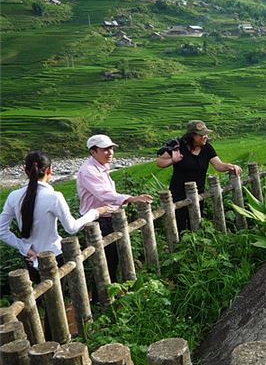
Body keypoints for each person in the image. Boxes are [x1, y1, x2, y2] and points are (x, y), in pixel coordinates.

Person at [0, 151, 113, 282]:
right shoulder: (54, 197)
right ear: (50, 170)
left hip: (30, 258)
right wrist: (95, 212)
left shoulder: (14, 196)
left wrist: (24, 248)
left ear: (25, 170)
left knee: (39, 298)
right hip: (55, 256)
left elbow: (1, 231)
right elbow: (71, 227)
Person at [77, 134, 152, 282]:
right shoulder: (89, 171)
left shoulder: (101, 167)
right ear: (93, 151)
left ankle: (113, 292)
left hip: (108, 217)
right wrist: (131, 198)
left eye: (111, 148)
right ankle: (102, 300)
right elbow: (105, 195)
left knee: (113, 258)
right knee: (104, 261)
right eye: (105, 149)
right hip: (98, 221)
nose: (110, 152)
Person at [156, 120, 241, 232]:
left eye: (206, 134)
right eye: (201, 135)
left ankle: (196, 246)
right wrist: (173, 160)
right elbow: (159, 162)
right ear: (192, 136)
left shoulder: (207, 148)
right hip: (178, 193)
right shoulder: (178, 146)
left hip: (198, 192)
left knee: (196, 221)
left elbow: (218, 165)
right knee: (180, 224)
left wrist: (230, 166)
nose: (205, 137)